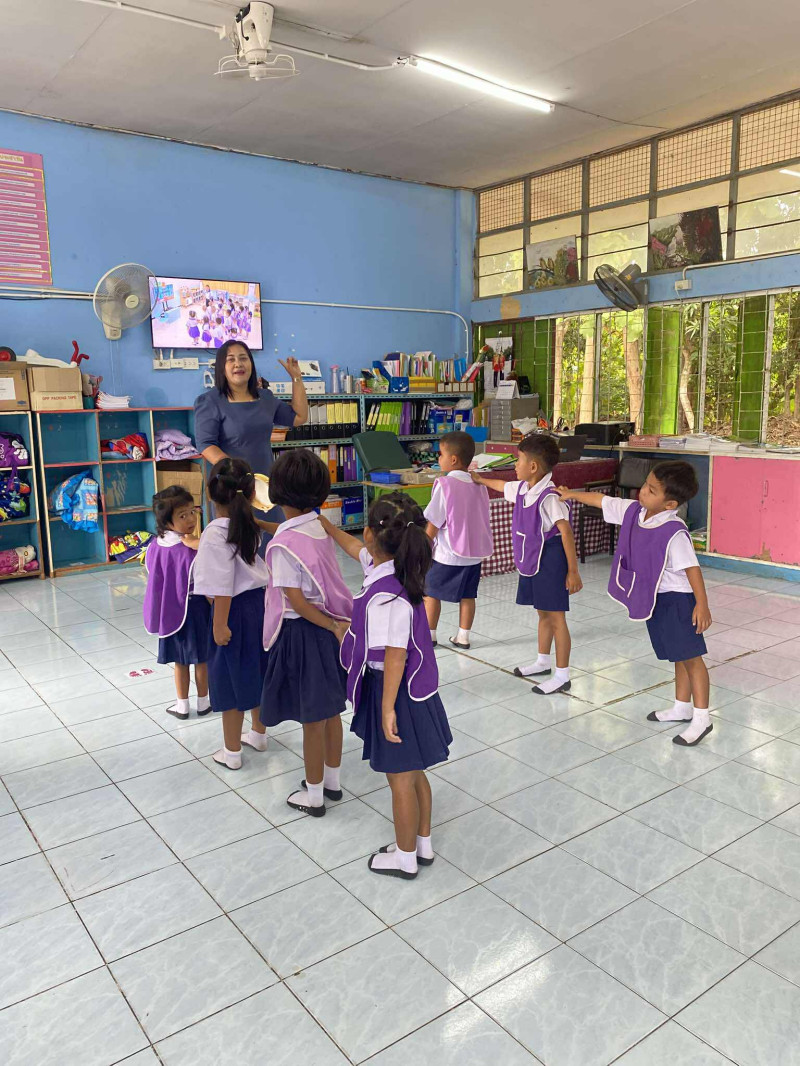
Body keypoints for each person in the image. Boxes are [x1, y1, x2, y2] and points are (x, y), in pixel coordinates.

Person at [324, 492, 452, 880]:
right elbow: (353, 549)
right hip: (412, 691)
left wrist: (386, 709)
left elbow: (395, 656)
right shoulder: (394, 569)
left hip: (396, 694)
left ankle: (405, 856)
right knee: (414, 773)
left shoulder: (387, 596)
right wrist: (327, 527)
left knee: (399, 781)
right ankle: (422, 844)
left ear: (370, 534)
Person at [559, 461, 713, 745]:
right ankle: (682, 707)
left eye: (651, 490)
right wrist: (571, 495)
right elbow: (602, 500)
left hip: (679, 601)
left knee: (692, 658)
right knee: (678, 655)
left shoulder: (674, 531)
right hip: (657, 599)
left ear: (670, 504)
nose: (642, 492)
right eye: (645, 485)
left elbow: (693, 569)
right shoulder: (635, 512)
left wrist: (701, 605)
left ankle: (702, 718)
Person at [260, 449, 353, 817]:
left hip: (304, 633)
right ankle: (332, 781)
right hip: (328, 631)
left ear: (277, 492)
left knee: (311, 720)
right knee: (331, 712)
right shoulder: (317, 526)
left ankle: (313, 796)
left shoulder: (283, 547)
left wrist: (330, 625)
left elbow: (296, 602)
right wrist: (333, 625)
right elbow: (290, 532)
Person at [473, 433, 582, 694]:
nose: (515, 465)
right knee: (542, 612)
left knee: (557, 617)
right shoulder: (523, 488)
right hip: (533, 558)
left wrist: (573, 571)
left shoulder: (550, 497)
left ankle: (563, 675)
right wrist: (480, 479)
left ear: (533, 466)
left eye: (518, 460)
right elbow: (501, 486)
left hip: (552, 561)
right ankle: (542, 661)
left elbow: (566, 533)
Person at [193, 458, 270, 770]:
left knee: (230, 678)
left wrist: (219, 624)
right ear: (251, 494)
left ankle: (232, 752)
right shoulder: (248, 524)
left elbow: (222, 584)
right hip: (259, 607)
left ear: (210, 494)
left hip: (232, 611)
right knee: (256, 671)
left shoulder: (214, 533)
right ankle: (259, 734)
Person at [194, 340, 309, 541]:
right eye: (231, 360)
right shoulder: (210, 401)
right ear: (221, 367)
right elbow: (206, 444)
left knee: (269, 540)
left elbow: (299, 417)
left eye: (243, 358)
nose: (238, 364)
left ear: (251, 364)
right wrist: (236, 471)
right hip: (232, 484)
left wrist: (296, 378)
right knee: (236, 543)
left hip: (265, 484)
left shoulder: (265, 398)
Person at [143, 486, 211, 721]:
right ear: (167, 521)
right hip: (197, 608)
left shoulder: (154, 546)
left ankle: (182, 705)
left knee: (180, 661)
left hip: (169, 612)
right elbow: (206, 581)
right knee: (201, 659)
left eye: (193, 512)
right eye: (183, 515)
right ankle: (204, 702)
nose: (191, 519)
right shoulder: (191, 549)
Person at [423, 430, 493, 649]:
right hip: (474, 554)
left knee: (430, 593)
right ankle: (463, 637)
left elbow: (434, 522)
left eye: (441, 454)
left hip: (448, 554)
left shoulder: (445, 485)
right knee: (468, 595)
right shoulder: (479, 485)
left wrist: (423, 547)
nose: (438, 459)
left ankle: (429, 635)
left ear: (453, 459)